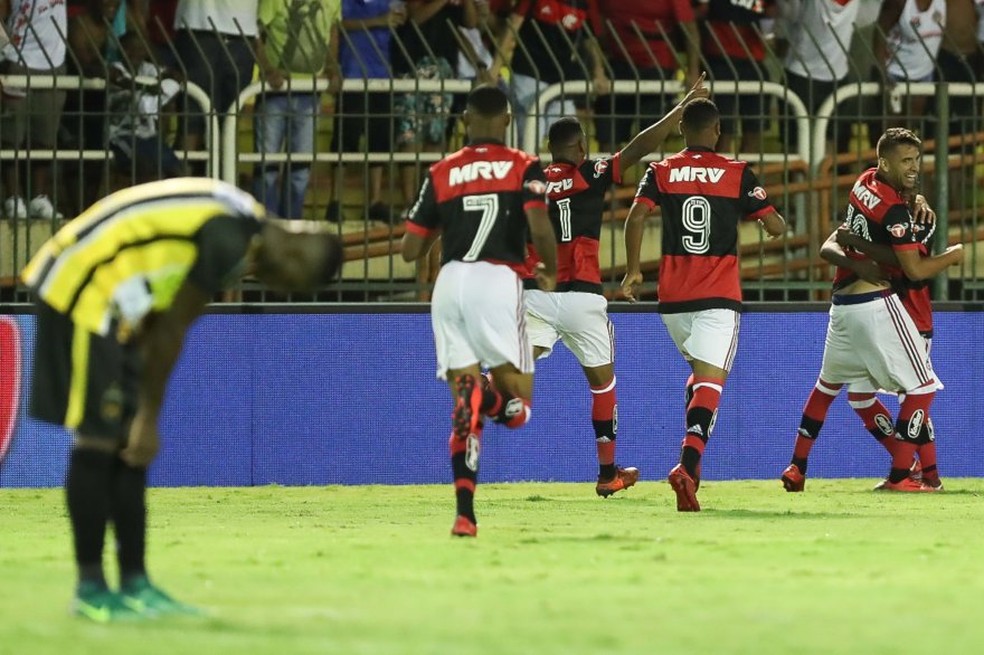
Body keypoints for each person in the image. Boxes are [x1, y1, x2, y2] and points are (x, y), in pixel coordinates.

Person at [21, 177, 343, 622]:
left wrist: (142, 411)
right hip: (84, 284)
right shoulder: (227, 236)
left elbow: (162, 289)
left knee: (128, 446)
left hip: (122, 301)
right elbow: (174, 328)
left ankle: (136, 584)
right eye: (290, 280)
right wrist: (150, 417)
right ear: (294, 245)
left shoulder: (243, 221)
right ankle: (91, 589)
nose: (278, 287)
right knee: (99, 438)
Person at [524, 74, 708, 498]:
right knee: (602, 385)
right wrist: (681, 108)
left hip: (535, 292)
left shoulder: (530, 179)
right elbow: (641, 147)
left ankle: (482, 390)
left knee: (519, 362)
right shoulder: (592, 172)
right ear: (582, 147)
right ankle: (608, 473)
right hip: (582, 296)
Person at [401, 85, 557, 537]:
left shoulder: (442, 170)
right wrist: (550, 268)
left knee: (465, 400)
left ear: (465, 119)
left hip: (449, 284)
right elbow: (540, 223)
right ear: (508, 120)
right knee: (520, 407)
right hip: (498, 281)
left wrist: (439, 226)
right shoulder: (523, 165)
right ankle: (489, 399)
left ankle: (465, 515)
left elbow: (411, 249)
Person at [621, 98, 786, 512]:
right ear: (717, 131)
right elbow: (775, 224)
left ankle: (692, 472)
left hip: (672, 300)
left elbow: (636, 217)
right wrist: (770, 225)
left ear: (682, 130)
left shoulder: (660, 171)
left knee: (698, 379)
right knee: (712, 382)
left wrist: (633, 271)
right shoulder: (735, 172)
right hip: (717, 295)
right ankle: (687, 466)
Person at [780, 128, 963, 494]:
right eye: (906, 161)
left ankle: (797, 466)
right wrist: (956, 254)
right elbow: (912, 269)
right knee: (922, 389)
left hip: (843, 307)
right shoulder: (903, 215)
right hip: (886, 308)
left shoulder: (865, 182)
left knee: (831, 388)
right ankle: (905, 476)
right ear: (885, 162)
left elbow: (851, 241)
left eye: (916, 160)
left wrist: (856, 245)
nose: (913, 168)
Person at [816, 194, 944, 490]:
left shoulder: (920, 220)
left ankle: (929, 477)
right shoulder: (874, 217)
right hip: (885, 317)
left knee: (914, 396)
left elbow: (911, 265)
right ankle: (912, 467)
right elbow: (830, 245)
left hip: (913, 317)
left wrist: (859, 244)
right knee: (860, 398)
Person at [254, 0, 342, 219]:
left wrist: (332, 67)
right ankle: (267, 226)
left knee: (300, 170)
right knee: (267, 166)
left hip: (310, 91)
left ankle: (290, 226)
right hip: (276, 89)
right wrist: (268, 69)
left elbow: (332, 31)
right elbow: (254, 32)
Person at [0, 0, 68, 220]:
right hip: (18, 60)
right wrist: (3, 51)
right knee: (12, 136)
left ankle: (39, 197)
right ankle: (13, 197)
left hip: (54, 62)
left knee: (45, 136)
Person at [106, 31, 187, 185]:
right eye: (129, 48)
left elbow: (176, 75)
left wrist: (160, 86)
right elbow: (119, 79)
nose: (134, 53)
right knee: (147, 170)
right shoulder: (116, 67)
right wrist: (146, 87)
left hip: (149, 136)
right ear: (120, 49)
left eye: (140, 48)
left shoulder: (148, 69)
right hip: (121, 136)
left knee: (177, 171)